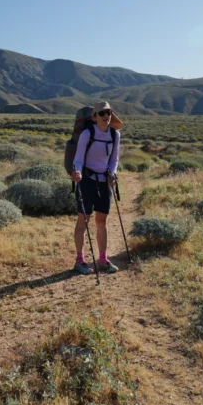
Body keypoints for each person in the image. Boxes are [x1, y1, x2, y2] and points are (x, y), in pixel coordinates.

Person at [70, 101, 122, 275]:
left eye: (109, 112)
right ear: (94, 117)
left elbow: (114, 160)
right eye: (102, 113)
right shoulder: (87, 133)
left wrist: (112, 174)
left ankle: (102, 259)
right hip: (87, 180)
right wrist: (77, 172)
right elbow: (78, 158)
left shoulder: (115, 136)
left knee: (102, 222)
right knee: (83, 221)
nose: (106, 116)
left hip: (104, 182)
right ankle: (80, 260)